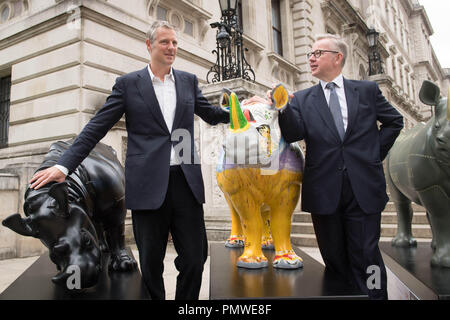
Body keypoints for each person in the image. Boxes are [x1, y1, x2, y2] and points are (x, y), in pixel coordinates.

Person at [29, 21, 229, 300]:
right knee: (150, 264)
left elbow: (211, 114)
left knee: (195, 259)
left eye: (174, 43)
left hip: (186, 182)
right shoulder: (128, 85)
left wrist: (240, 111)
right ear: (149, 45)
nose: (171, 48)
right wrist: (64, 166)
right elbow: (96, 127)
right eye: (165, 42)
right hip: (147, 186)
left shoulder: (188, 81)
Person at [249, 34, 403, 299]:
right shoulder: (302, 98)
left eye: (318, 53)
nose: (311, 57)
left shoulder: (366, 91)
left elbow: (394, 121)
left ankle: (377, 296)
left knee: (367, 255)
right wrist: (283, 106)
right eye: (310, 53)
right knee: (334, 258)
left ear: (337, 57)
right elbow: (293, 133)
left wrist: (372, 155)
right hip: (324, 190)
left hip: (363, 188)